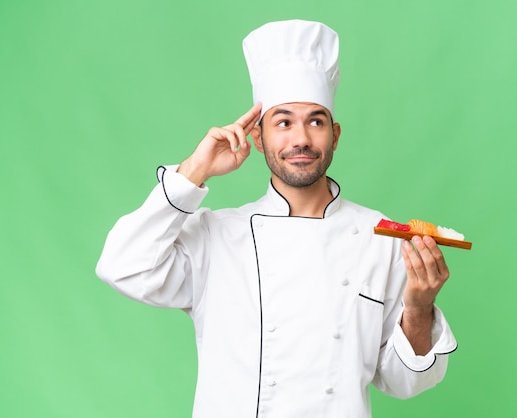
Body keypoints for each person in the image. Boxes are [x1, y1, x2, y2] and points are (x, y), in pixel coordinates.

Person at [96, 19, 457, 418]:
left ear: (335, 135)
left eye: (315, 122)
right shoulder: (217, 236)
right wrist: (194, 170)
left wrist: (419, 307)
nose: (300, 139)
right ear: (258, 137)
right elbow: (122, 267)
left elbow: (406, 382)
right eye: (283, 122)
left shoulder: (380, 238)